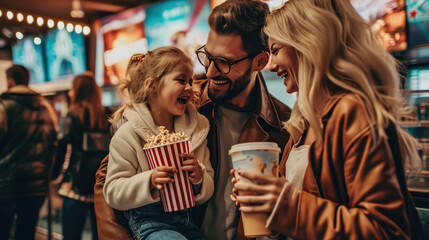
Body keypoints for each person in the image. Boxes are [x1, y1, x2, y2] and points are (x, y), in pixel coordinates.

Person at [93, 1, 291, 239]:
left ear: (259, 62)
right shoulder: (184, 102)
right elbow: (107, 178)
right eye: (207, 56)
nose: (208, 72)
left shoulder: (283, 125)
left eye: (224, 63)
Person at [232, 0, 425, 239]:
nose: (270, 65)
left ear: (308, 43)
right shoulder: (303, 120)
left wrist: (288, 206)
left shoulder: (353, 111)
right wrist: (266, 205)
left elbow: (386, 231)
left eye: (275, 50)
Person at [103, 46, 214, 240]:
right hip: (149, 222)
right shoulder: (128, 135)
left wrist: (199, 178)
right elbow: (112, 191)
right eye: (181, 80)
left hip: (188, 221)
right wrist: (149, 180)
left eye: (190, 81)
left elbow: (208, 184)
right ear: (153, 85)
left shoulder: (197, 130)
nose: (189, 87)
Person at [0, 65, 58, 240]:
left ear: (10, 81)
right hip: (37, 187)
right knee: (26, 233)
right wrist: (48, 176)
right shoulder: (46, 108)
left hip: (6, 185)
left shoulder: (3, 107)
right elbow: (54, 146)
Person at [56, 72, 112, 240]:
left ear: (78, 91)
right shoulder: (107, 116)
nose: (70, 93)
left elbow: (64, 152)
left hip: (75, 187)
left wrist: (56, 177)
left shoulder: (70, 117)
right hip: (101, 185)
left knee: (71, 235)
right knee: (99, 236)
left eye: (72, 89)